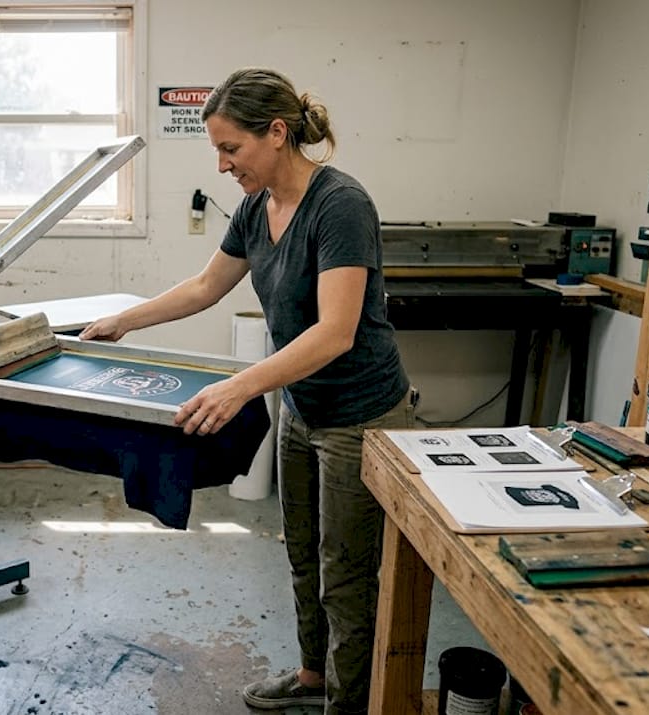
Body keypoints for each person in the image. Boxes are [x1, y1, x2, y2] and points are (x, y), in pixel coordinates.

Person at [80, 67, 414, 714]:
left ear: (278, 133)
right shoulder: (258, 207)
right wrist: (127, 317)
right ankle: (314, 675)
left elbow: (335, 332)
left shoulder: (341, 205)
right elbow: (207, 286)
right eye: (218, 150)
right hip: (302, 405)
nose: (223, 163)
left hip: (360, 415)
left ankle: (349, 703)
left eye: (231, 148)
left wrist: (239, 387)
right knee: (300, 552)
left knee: (345, 573)